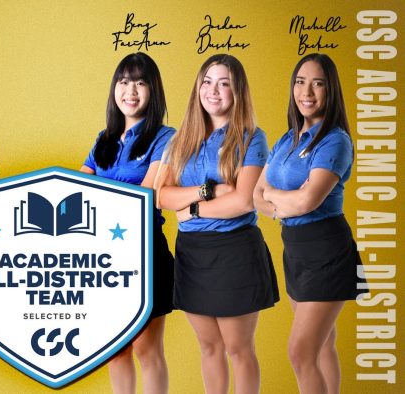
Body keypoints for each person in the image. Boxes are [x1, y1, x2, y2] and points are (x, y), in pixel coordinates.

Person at [153, 54, 279, 394]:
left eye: (224, 83)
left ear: (237, 92)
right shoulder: (179, 140)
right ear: (197, 87)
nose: (213, 90)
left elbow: (241, 201)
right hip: (192, 255)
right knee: (208, 347)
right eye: (207, 81)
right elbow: (161, 196)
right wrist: (210, 191)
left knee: (239, 350)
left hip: (235, 252)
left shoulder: (252, 138)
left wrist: (191, 209)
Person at [253, 53, 367, 394]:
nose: (308, 92)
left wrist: (275, 197)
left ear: (330, 91)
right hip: (297, 251)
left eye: (318, 83)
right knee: (322, 346)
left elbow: (309, 200)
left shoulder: (336, 140)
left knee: (300, 352)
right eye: (301, 82)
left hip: (328, 252)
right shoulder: (286, 140)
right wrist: (279, 204)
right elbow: (256, 196)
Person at [80, 52, 175, 394]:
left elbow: (146, 196)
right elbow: (77, 195)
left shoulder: (166, 137)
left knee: (147, 350)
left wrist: (96, 200)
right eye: (123, 81)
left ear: (153, 90)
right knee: (114, 352)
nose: (130, 90)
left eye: (140, 82)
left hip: (144, 252)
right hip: (103, 258)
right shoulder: (103, 140)